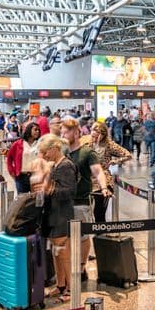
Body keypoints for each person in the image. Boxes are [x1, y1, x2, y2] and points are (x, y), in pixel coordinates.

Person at [61, 118, 109, 279]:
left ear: (76, 132)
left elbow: (98, 171)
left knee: (83, 237)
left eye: (66, 131)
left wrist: (103, 187)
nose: (63, 134)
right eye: (62, 132)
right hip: (63, 202)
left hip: (81, 202)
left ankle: (82, 268)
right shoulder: (63, 152)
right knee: (65, 237)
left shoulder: (87, 152)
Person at [38, 134, 77, 303]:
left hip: (61, 214)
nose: (44, 155)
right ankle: (60, 285)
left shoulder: (66, 165)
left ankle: (71, 289)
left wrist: (49, 188)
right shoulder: (55, 165)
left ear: (55, 149)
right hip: (52, 214)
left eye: (45, 152)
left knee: (63, 253)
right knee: (56, 252)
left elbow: (69, 192)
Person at [86, 122, 131, 223]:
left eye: (98, 132)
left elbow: (128, 155)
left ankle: (101, 234)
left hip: (104, 180)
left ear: (103, 133)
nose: (94, 134)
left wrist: (114, 161)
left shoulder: (108, 144)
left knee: (99, 213)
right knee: (86, 212)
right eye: (93, 130)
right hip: (88, 180)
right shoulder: (87, 143)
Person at [6, 122, 41, 195]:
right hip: (21, 176)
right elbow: (9, 158)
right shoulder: (18, 143)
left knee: (35, 200)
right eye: (35, 130)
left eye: (38, 130)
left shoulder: (40, 144)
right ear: (29, 130)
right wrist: (12, 172)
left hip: (36, 176)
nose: (37, 132)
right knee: (22, 200)